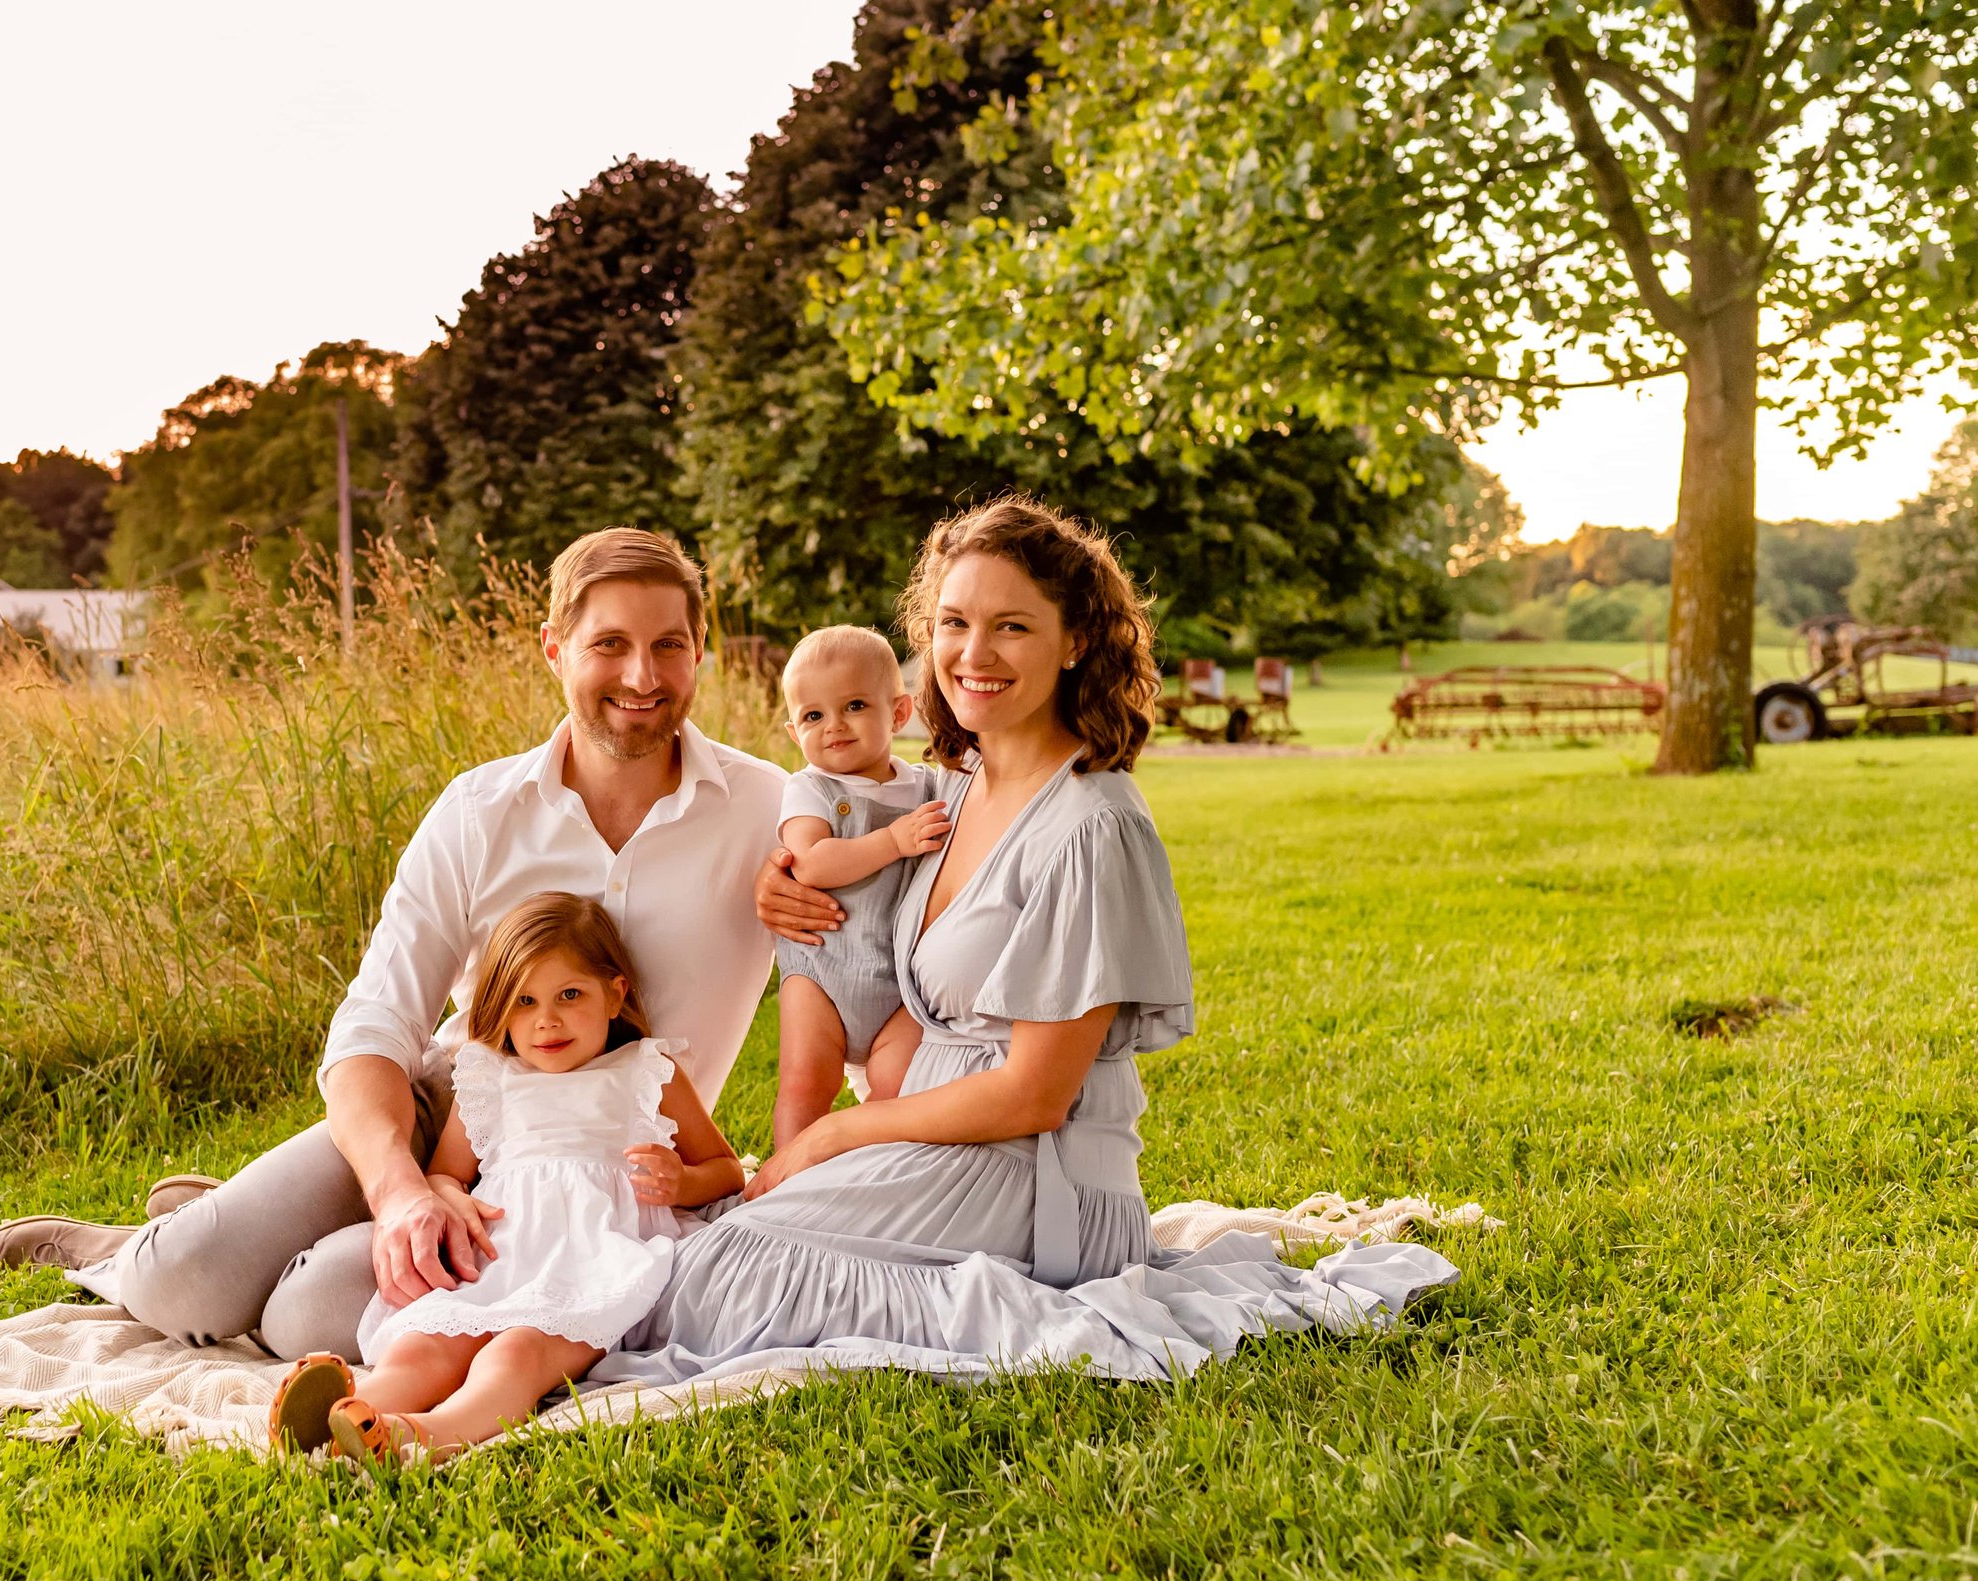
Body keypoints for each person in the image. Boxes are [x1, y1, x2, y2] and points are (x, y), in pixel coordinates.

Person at [593, 495, 1456, 1388]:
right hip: (926, 1149)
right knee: (699, 1243)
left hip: (1031, 1179)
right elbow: (845, 827)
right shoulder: (956, 787)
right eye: (955, 623)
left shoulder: (1092, 824)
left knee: (717, 1278)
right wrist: (787, 877)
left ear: (1075, 638)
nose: (975, 653)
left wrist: (834, 1136)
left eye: (1012, 625)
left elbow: (1034, 1094)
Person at [0, 528, 788, 1363]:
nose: (642, 677)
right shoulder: (478, 811)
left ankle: (247, 1220)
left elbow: (870, 985)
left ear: (699, 651)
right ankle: (137, 1245)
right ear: (554, 649)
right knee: (188, 1279)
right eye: (610, 644)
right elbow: (377, 1020)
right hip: (450, 1113)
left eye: (667, 646)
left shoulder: (770, 813)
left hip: (603, 1175)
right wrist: (399, 1192)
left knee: (313, 1316)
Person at [266, 892, 744, 1464]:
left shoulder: (647, 1071)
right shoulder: (490, 1079)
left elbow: (726, 1168)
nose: (547, 1019)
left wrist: (681, 1184)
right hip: (498, 1254)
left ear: (615, 993)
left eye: (570, 994)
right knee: (425, 1346)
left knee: (514, 1356)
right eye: (524, 1001)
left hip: (592, 1261)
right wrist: (447, 1198)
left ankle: (427, 1435)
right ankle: (346, 1412)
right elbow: (445, 1175)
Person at [767, 625, 947, 1151]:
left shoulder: (927, 786)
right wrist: (893, 840)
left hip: (901, 987)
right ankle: (786, 1179)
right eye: (813, 716)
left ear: (898, 712)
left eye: (854, 706)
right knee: (805, 1083)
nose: (833, 726)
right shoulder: (810, 788)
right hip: (822, 973)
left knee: (895, 1089)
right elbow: (812, 863)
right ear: (793, 732)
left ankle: (851, 1168)